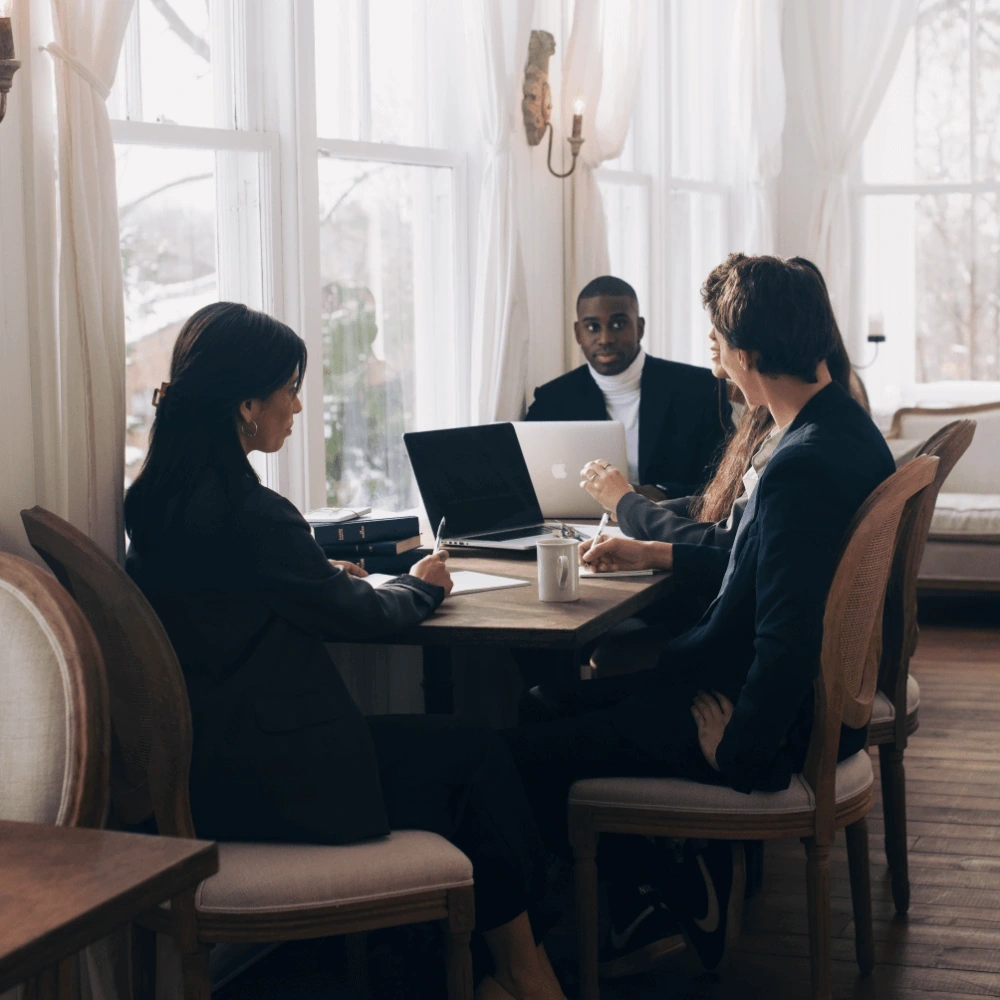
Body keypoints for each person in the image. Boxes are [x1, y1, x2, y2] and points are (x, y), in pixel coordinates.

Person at [124, 302, 566, 1000]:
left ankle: (492, 971)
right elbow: (362, 616)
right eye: (290, 388)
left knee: (460, 759)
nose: (298, 406)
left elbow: (258, 595)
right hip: (281, 787)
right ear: (246, 405)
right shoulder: (253, 513)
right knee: (482, 758)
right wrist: (421, 586)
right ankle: (525, 974)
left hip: (204, 774)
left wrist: (318, 578)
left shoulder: (151, 502)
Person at [504, 255, 895, 978]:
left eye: (720, 347)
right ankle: (647, 896)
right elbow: (768, 579)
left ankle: (611, 919)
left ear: (745, 354)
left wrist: (739, 755)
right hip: (789, 702)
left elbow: (784, 641)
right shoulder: (842, 427)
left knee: (521, 744)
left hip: (755, 719)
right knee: (546, 703)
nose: (717, 366)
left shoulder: (801, 466)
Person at [583, 255, 872, 632]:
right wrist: (650, 551)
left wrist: (750, 694)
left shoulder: (802, 461)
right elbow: (749, 550)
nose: (710, 342)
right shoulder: (831, 424)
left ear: (747, 353)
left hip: (728, 656)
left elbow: (771, 608)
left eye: (717, 331)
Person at [525, 275, 731, 499]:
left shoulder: (700, 388)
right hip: (580, 528)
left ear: (640, 328)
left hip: (669, 527)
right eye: (593, 327)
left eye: (618, 324)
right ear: (578, 333)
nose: (605, 338)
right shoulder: (552, 400)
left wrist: (661, 493)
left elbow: (727, 482)